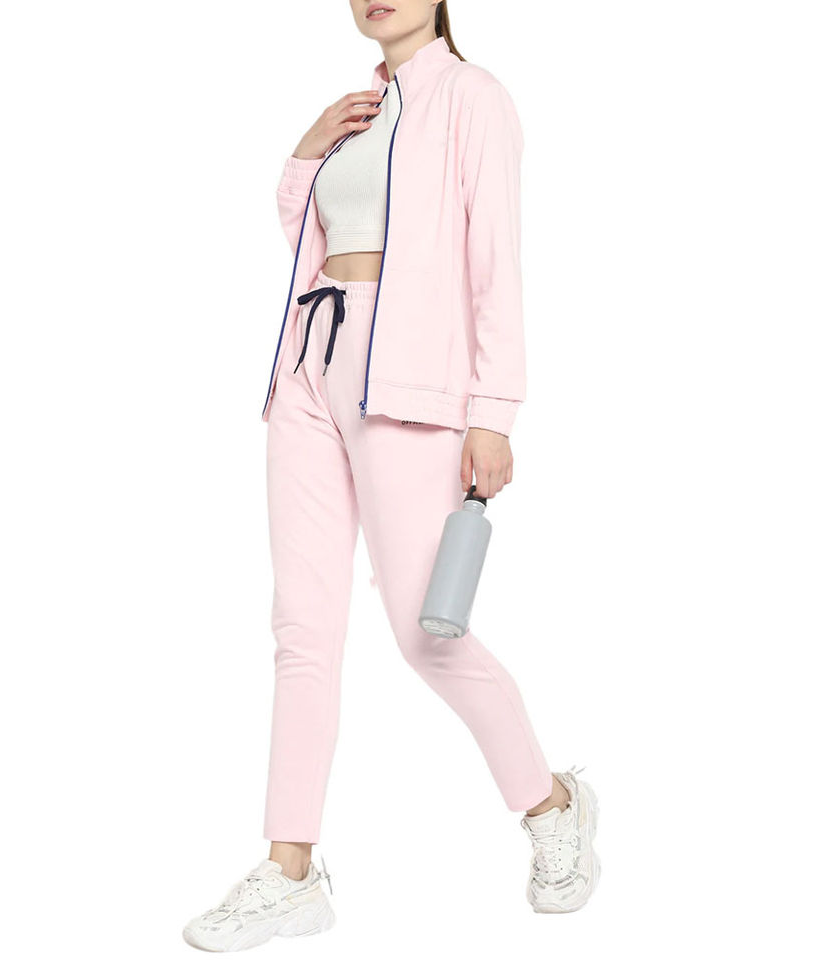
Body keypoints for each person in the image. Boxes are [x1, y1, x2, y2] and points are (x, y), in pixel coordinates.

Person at [183, 2, 600, 951]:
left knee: (425, 634)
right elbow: (311, 238)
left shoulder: (471, 96)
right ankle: (291, 870)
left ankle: (552, 804)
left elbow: (495, 263)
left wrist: (494, 413)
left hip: (409, 384)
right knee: (302, 628)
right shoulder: (359, 110)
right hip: (307, 367)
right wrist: (305, 153)